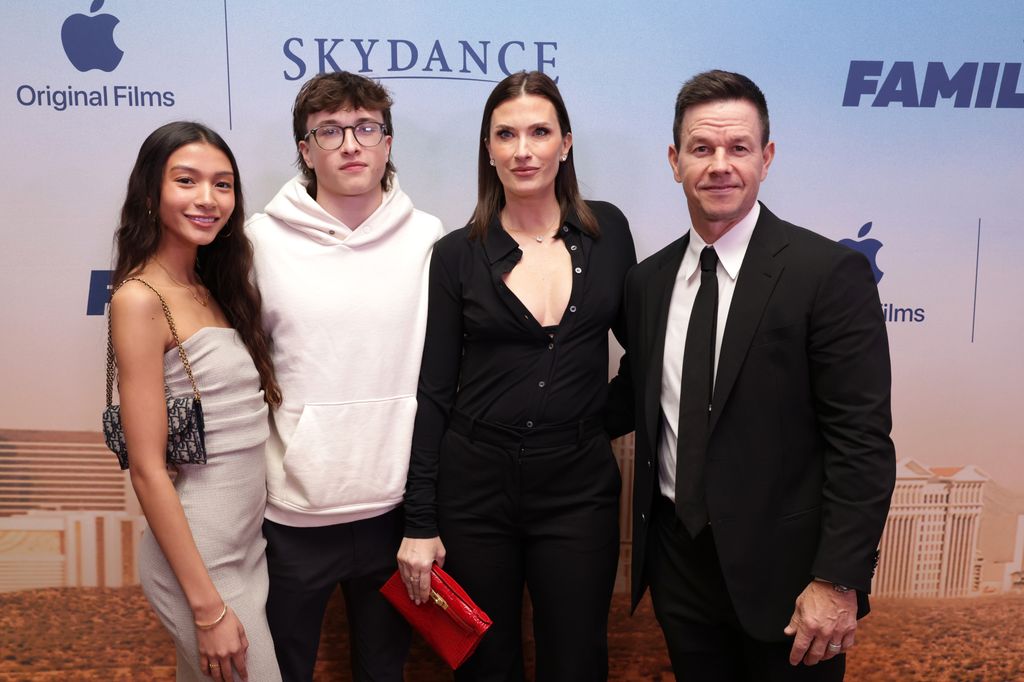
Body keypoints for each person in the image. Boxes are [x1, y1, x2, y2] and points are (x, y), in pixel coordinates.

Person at [610, 69, 896, 681]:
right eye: (701, 148)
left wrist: (837, 580)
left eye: (738, 148)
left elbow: (862, 443)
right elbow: (633, 398)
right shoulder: (647, 282)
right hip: (679, 572)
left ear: (766, 159)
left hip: (792, 586)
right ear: (674, 159)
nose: (720, 165)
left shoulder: (829, 274)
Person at [399, 70, 637, 681]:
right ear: (488, 148)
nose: (523, 149)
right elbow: (433, 393)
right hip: (474, 489)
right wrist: (420, 523)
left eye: (539, 132)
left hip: (578, 492)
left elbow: (646, 353)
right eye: (506, 134)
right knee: (483, 662)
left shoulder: (608, 233)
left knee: (577, 659)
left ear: (567, 142)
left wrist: (589, 425)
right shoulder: (456, 254)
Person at [245, 72, 443, 681]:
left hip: (394, 513)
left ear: (387, 142)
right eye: (329, 131)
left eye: (365, 128)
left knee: (384, 671)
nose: (350, 144)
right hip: (294, 513)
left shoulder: (431, 239)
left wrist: (423, 514)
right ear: (306, 151)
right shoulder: (257, 241)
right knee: (283, 670)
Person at [109, 121, 282, 681]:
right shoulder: (139, 298)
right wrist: (207, 608)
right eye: (187, 181)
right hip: (200, 562)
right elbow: (148, 469)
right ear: (151, 193)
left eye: (223, 184)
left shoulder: (211, 284)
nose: (208, 199)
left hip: (244, 549)